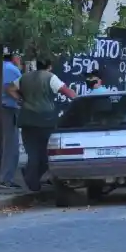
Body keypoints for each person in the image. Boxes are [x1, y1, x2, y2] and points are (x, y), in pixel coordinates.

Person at [17, 59, 77, 192]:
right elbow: (67, 92)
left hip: (27, 119)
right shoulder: (50, 77)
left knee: (32, 153)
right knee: (46, 154)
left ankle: (31, 179)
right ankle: (31, 178)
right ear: (49, 66)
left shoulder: (24, 77)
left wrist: (19, 99)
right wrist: (78, 101)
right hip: (46, 120)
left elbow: (10, 88)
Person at [0, 51, 24, 188]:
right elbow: (9, 88)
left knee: (3, 145)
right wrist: (21, 100)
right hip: (8, 109)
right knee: (11, 146)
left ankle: (2, 177)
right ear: (14, 57)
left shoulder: (0, 67)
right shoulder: (11, 69)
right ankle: (6, 178)